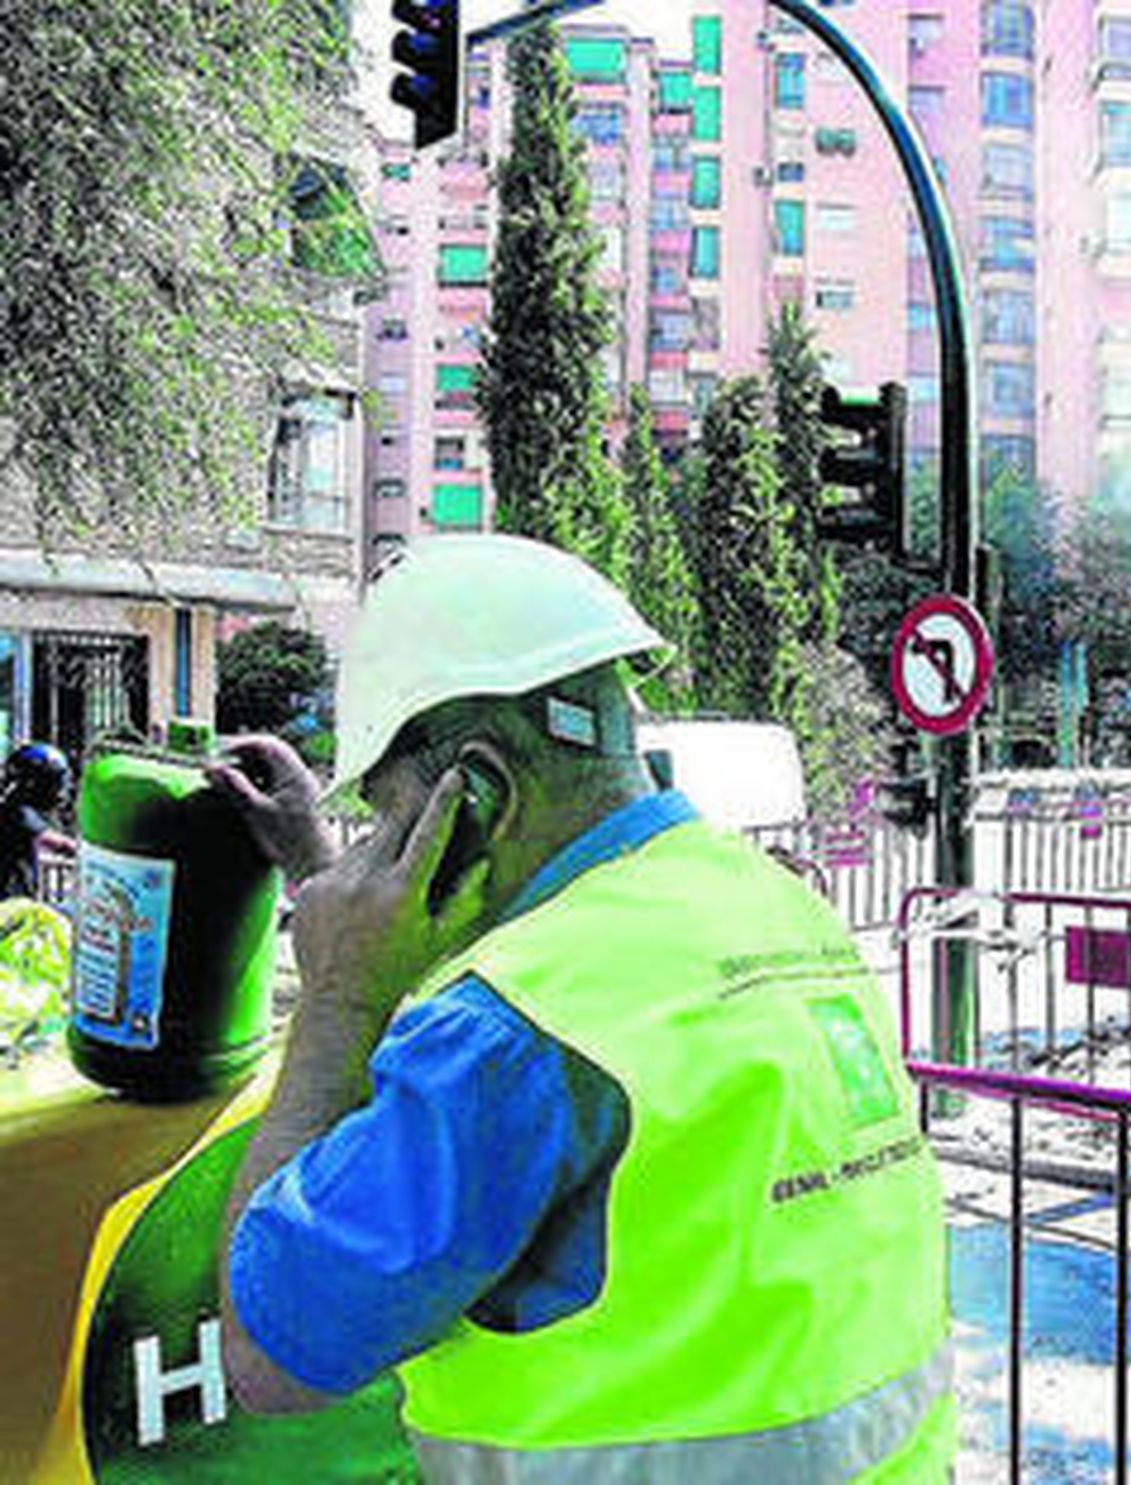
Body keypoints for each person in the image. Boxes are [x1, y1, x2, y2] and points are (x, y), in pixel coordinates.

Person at [210, 535, 953, 1481]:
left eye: (392, 816)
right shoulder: (777, 908)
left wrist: (339, 1000)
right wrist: (317, 862)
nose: (383, 857)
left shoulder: (512, 1030)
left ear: (475, 795)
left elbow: (271, 1354)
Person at [0, 741, 74, 902]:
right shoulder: (18, 811)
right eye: (54, 783)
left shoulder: (11, 805)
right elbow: (58, 843)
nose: (59, 790)